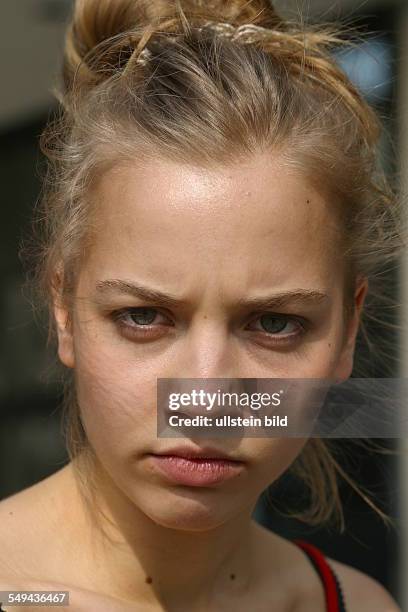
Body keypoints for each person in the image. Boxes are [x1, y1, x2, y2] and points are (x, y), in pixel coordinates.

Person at [0, 0, 403, 610]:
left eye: (275, 324)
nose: (206, 401)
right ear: (64, 308)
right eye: (143, 317)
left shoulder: (357, 603)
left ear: (347, 333)